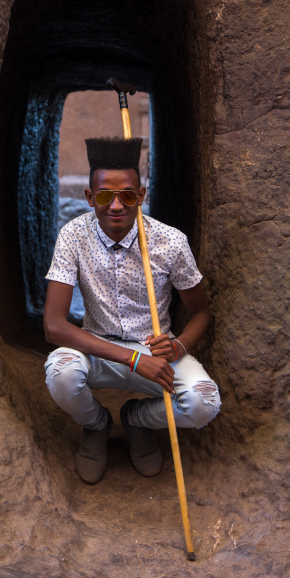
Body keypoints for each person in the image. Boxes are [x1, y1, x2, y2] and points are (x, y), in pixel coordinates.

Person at [43, 136, 221, 484]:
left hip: (156, 352)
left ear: (141, 195)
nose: (116, 206)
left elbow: (202, 313)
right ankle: (96, 425)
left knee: (204, 404)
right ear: (90, 198)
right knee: (61, 374)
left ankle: (137, 419)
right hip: (96, 348)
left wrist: (178, 346)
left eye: (127, 195)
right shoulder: (73, 236)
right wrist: (131, 360)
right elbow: (53, 326)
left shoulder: (170, 241)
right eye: (105, 196)